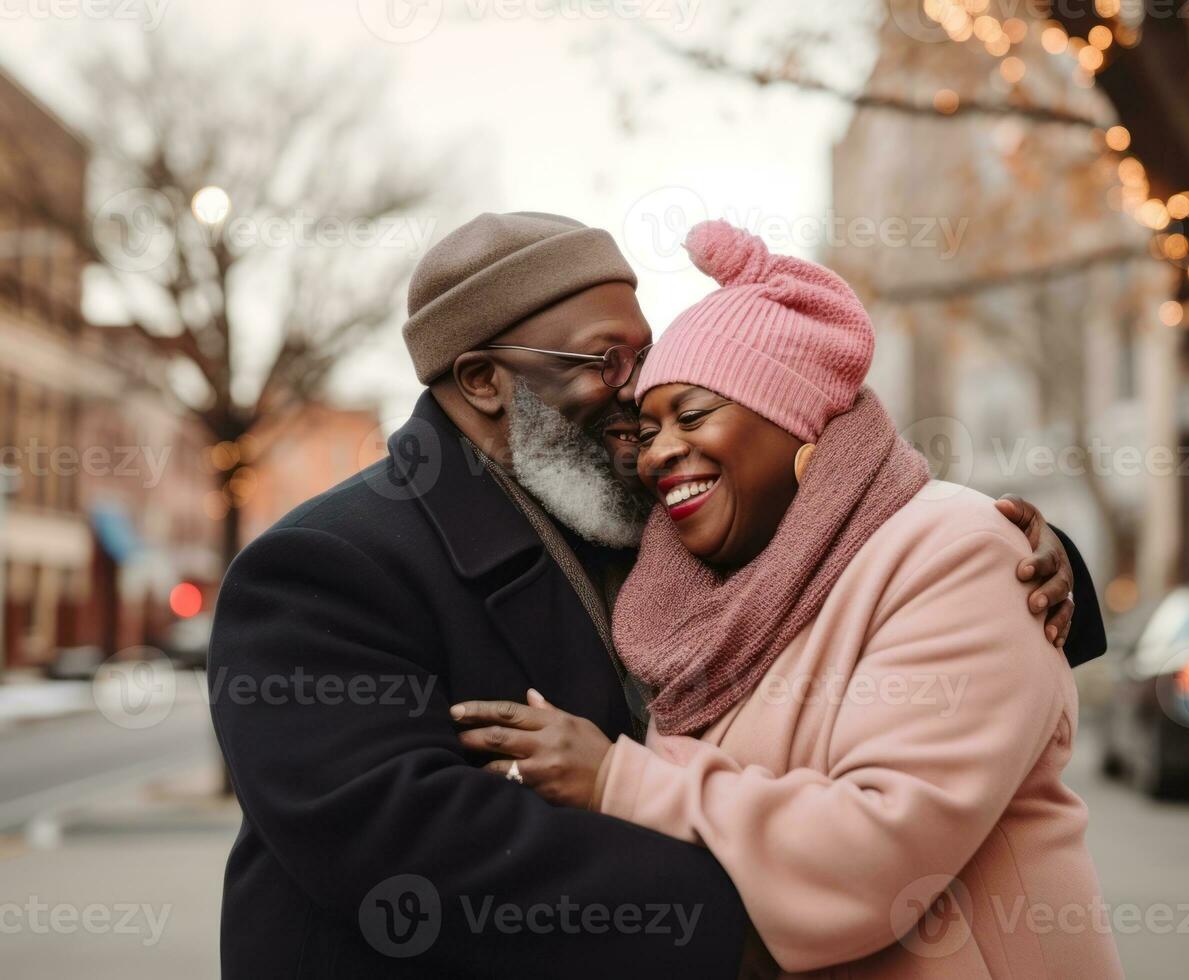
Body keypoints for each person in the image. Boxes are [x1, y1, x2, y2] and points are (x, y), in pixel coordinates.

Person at [208, 212, 1105, 978]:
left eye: (644, 358)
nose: (637, 400)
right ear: (484, 380)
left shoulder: (625, 506)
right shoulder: (327, 564)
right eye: (605, 360)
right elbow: (406, 843)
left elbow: (833, 518)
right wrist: (740, 923)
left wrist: (1026, 553)